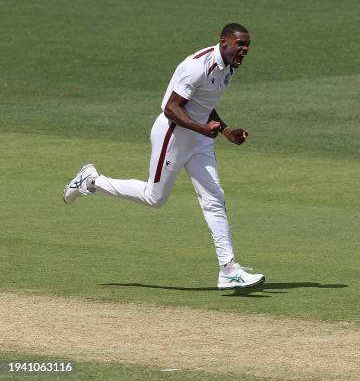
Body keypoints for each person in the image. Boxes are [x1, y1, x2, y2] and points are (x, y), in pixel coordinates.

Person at [62, 23, 264, 290]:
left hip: (199, 140)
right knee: (154, 198)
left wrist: (225, 130)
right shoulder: (197, 66)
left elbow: (204, 106)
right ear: (224, 42)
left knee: (214, 198)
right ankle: (91, 181)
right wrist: (203, 128)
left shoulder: (228, 69)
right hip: (174, 134)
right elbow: (171, 107)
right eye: (240, 44)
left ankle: (228, 270)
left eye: (247, 44)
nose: (245, 50)